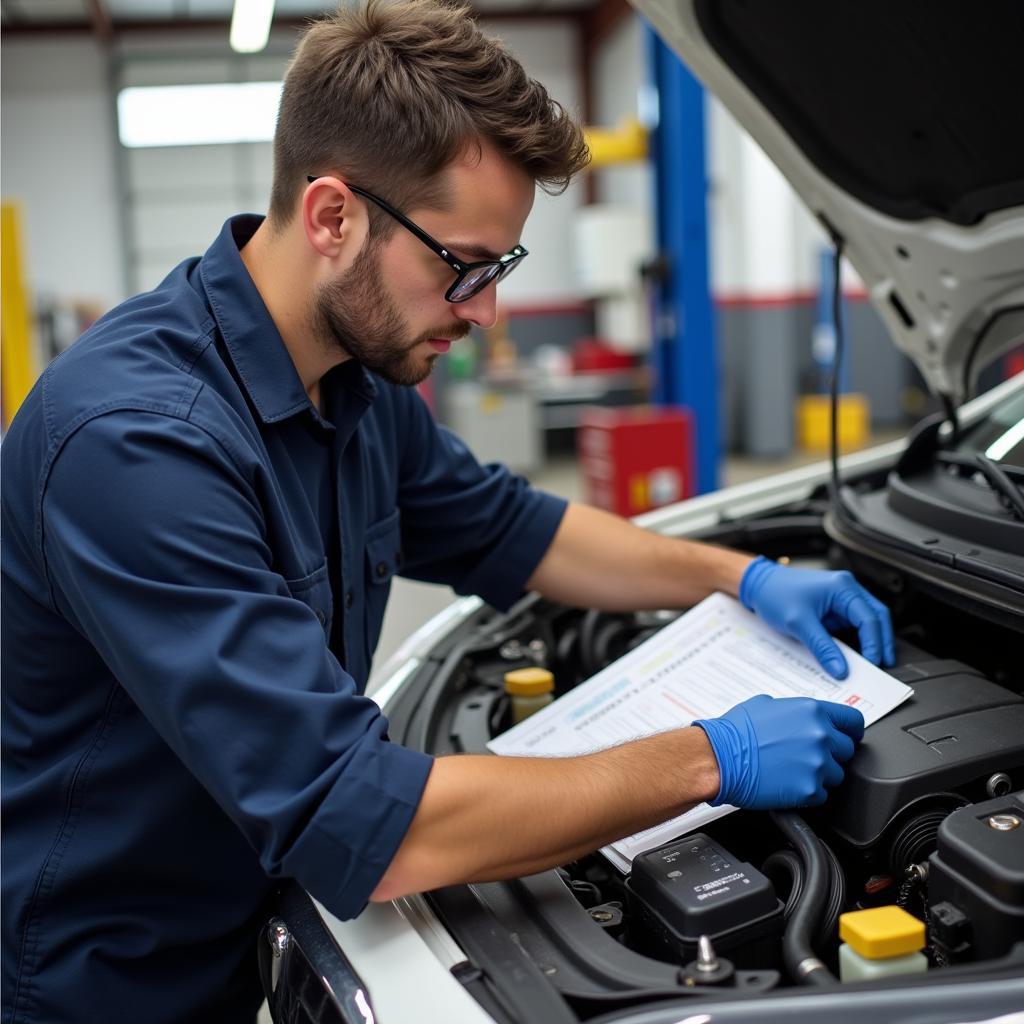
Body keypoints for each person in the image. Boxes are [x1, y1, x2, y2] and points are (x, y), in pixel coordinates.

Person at [0, 2, 894, 1021]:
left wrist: (737, 574)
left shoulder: (355, 385)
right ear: (333, 216)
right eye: (460, 265)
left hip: (256, 930)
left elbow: (520, 529)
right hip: (108, 982)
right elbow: (369, 825)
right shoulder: (137, 443)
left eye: (498, 269)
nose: (483, 312)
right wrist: (708, 757)